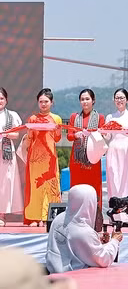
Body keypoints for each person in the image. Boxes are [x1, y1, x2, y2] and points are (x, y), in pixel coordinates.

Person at [46, 185, 121, 273]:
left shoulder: (58, 219)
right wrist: (115, 241)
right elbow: (103, 259)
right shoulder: (83, 230)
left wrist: (96, 240)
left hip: (54, 273)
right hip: (74, 279)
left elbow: (70, 243)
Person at [23, 88, 62, 226]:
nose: (43, 104)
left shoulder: (56, 118)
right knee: (36, 187)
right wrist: (29, 131)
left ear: (51, 102)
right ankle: (35, 217)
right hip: (35, 158)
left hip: (50, 158)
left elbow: (57, 139)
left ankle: (49, 217)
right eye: (41, 102)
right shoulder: (33, 119)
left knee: (50, 187)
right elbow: (29, 139)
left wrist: (57, 129)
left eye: (46, 101)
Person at [105, 88, 128, 226]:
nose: (119, 100)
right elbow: (108, 136)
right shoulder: (110, 117)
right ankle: (115, 216)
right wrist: (103, 133)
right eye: (117, 98)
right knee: (114, 181)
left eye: (122, 98)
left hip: (127, 151)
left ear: (127, 100)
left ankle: (126, 217)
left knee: (127, 181)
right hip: (113, 151)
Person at [66, 89, 105, 211]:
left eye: (87, 99)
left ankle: (94, 214)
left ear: (93, 101)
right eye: (82, 99)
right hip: (77, 159)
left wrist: (93, 134)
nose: (85, 102)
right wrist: (76, 135)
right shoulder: (74, 117)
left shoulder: (100, 118)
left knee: (93, 186)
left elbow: (102, 137)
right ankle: (75, 213)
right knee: (77, 186)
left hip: (92, 158)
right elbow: (69, 136)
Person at [0, 88, 23, 227]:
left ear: (6, 100)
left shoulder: (12, 115)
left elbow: (17, 134)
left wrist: (5, 134)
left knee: (4, 184)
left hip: (6, 154)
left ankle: (1, 214)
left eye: (1, 98)